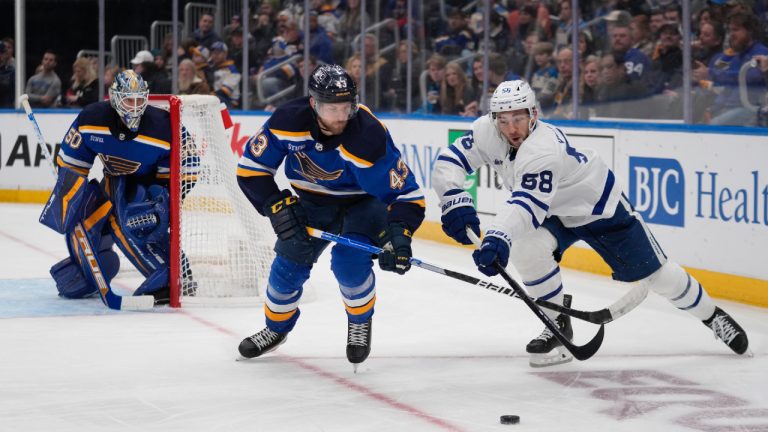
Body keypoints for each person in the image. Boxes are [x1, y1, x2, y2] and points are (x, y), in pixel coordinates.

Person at [431, 80, 750, 367]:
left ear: (534, 115)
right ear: (493, 120)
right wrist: (453, 199)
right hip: (555, 212)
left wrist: (497, 237)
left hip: (600, 208)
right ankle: (557, 322)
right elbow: (449, 162)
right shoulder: (485, 132)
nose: (511, 128)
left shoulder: (543, 149)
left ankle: (712, 317)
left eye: (518, 118)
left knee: (659, 276)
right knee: (527, 249)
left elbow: (527, 204)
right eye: (504, 120)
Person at [236, 64, 425, 367]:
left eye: (346, 107)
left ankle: (360, 321)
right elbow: (251, 170)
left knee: (349, 263)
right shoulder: (287, 121)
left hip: (363, 205)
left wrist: (400, 234)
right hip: (311, 203)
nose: (340, 117)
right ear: (313, 103)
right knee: (287, 267)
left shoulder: (368, 137)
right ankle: (275, 329)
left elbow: (407, 195)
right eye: (331, 108)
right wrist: (276, 206)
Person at [39, 70, 196, 306]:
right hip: (114, 180)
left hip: (149, 184)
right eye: (128, 100)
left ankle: (171, 275)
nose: (134, 107)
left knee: (130, 221)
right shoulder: (92, 119)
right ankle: (90, 269)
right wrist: (70, 193)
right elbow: (72, 164)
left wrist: (163, 199)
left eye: (138, 100)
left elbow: (190, 165)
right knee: (81, 223)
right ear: (114, 99)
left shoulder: (164, 125)